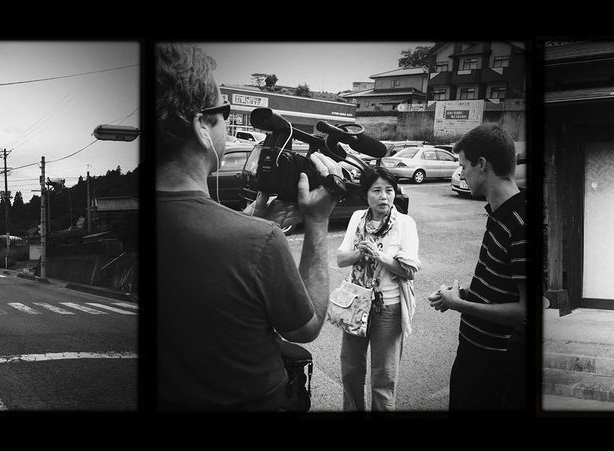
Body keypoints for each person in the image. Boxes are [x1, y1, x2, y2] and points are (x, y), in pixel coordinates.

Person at [154, 43, 344, 411]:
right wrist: (318, 221)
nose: (227, 123)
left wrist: (250, 220)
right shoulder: (257, 241)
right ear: (202, 126)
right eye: (224, 113)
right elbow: (304, 328)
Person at [428, 124, 528, 411]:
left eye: (463, 166)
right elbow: (503, 287)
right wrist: (465, 294)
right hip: (473, 352)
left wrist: (460, 305)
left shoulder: (521, 224)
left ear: (482, 165)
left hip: (496, 363)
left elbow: (523, 311)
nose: (461, 174)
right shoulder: (498, 213)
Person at [335, 166, 421, 412]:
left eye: (389, 190)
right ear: (366, 195)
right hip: (356, 302)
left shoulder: (405, 223)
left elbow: (410, 271)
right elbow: (341, 260)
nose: (384, 196)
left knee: (384, 377)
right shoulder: (357, 219)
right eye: (377, 191)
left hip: (388, 308)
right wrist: (359, 252)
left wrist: (381, 256)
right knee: (351, 370)